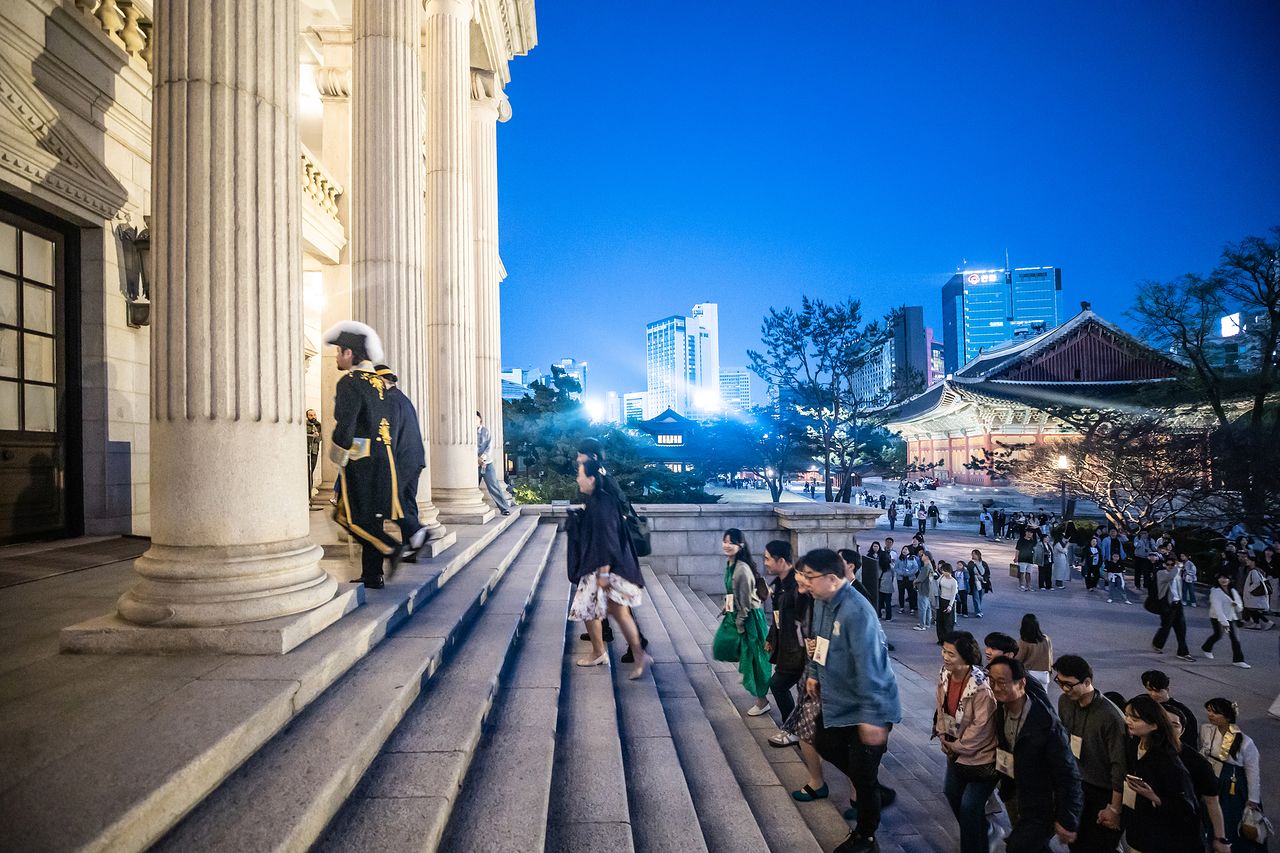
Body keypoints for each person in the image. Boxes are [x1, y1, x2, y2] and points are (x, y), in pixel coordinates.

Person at [802, 548, 902, 853]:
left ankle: (866, 838)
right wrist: (813, 672)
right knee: (824, 741)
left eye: (809, 577)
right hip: (839, 700)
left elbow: (870, 666)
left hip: (870, 706)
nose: (805, 583)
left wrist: (872, 718)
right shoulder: (823, 601)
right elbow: (817, 641)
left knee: (863, 774)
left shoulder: (857, 611)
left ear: (832, 579)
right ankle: (875, 789)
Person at [323, 321, 407, 588]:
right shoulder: (381, 385)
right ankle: (373, 574)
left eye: (339, 352)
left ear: (349, 353)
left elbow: (345, 425)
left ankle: (390, 548)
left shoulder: (350, 383)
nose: (336, 357)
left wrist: (338, 454)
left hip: (361, 460)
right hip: (384, 459)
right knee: (372, 519)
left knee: (345, 516)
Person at [566, 458, 651, 678]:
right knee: (617, 612)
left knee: (592, 608)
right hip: (608, 566)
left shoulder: (601, 504)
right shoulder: (601, 499)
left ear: (591, 478)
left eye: (580, 474)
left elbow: (606, 539)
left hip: (604, 568)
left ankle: (601, 653)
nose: (578, 479)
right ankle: (635, 654)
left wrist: (603, 573)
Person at [988, 655, 1083, 851]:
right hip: (1020, 794)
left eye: (1002, 682)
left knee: (1017, 847)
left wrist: (1067, 818)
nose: (996, 687)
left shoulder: (1045, 724)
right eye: (992, 681)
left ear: (1021, 683)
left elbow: (1068, 774)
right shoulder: (1000, 709)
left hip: (1044, 803)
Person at [1052, 655, 1127, 853]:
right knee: (1075, 844)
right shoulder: (1064, 702)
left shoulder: (1110, 717)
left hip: (1103, 790)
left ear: (1087, 682)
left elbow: (1119, 765)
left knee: (1098, 846)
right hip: (1076, 784)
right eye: (1060, 683)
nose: (1064, 689)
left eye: (1069, 684)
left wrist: (1114, 808)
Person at [934, 631, 999, 853]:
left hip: (981, 756)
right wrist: (943, 734)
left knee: (970, 806)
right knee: (952, 793)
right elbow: (941, 709)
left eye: (951, 653)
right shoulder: (945, 674)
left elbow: (981, 728)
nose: (945, 657)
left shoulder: (981, 687)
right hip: (955, 750)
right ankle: (982, 831)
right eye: (944, 651)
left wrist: (956, 746)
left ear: (965, 656)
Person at [1120, 695, 1202, 853]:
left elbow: (1186, 808)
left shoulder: (1166, 760)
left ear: (1154, 725)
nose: (1127, 721)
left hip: (1161, 839)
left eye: (1135, 719)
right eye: (1127, 715)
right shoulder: (1134, 745)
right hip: (1138, 833)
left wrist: (1154, 797)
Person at [374, 365, 431, 561]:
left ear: (381, 381)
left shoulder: (389, 400)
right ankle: (411, 548)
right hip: (414, 459)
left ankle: (417, 531)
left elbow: (391, 434)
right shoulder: (402, 399)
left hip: (401, 460)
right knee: (407, 500)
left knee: (391, 500)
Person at [1200, 697, 1266, 852]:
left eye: (1216, 712)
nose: (1211, 715)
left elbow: (1253, 771)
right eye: (1209, 711)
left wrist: (1253, 799)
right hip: (1213, 778)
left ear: (1228, 716)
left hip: (1233, 786)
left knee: (1230, 820)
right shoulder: (1206, 730)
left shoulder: (1244, 741)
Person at [1163, 706, 1232, 853]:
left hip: (1184, 830)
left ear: (1182, 730)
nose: (1168, 729)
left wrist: (1220, 838)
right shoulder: (1143, 751)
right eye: (1164, 723)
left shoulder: (1196, 762)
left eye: (1175, 725)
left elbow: (1212, 801)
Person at [720, 528, 772, 715]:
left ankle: (762, 700)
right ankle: (760, 696)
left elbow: (746, 603)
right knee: (747, 656)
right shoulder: (731, 564)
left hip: (749, 618)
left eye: (731, 542)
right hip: (741, 615)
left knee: (755, 659)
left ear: (740, 545)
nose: (727, 545)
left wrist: (740, 624)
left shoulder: (741, 569)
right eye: (725, 541)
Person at [764, 540, 806, 726]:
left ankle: (791, 727)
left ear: (781, 561)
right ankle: (792, 726)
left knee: (778, 685)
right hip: (785, 646)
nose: (765, 562)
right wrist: (771, 637)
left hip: (796, 650)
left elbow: (805, 621)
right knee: (781, 685)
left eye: (767, 559)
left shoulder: (797, 586)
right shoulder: (778, 584)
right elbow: (777, 616)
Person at [1139, 670, 1198, 750]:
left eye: (1158, 691)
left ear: (1167, 689)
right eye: (1149, 690)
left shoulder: (1182, 712)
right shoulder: (1141, 703)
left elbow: (1189, 741)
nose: (1153, 694)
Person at [1153, 554, 1196, 661]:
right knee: (1166, 627)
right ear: (1164, 564)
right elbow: (1169, 577)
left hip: (1177, 604)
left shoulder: (1176, 574)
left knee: (1181, 628)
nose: (1170, 566)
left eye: (1172, 564)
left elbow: (1179, 585)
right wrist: (1177, 567)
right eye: (1168, 564)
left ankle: (1183, 652)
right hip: (1167, 605)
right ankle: (1157, 644)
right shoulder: (1161, 573)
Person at [1203, 573, 1250, 667]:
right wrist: (1224, 622)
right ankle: (1206, 647)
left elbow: (1240, 606)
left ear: (1230, 579)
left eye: (1225, 577)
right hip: (1217, 617)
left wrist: (1236, 605)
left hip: (1231, 617)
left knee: (1235, 638)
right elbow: (1217, 608)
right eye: (1220, 577)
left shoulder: (1233, 591)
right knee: (1218, 635)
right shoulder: (1215, 591)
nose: (1222, 580)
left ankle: (1238, 660)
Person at [476, 411, 513, 515]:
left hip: (487, 463)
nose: (474, 421)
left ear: (480, 419)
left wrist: (482, 458)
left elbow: (489, 447)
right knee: (472, 487)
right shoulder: (468, 432)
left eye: (476, 418)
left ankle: (504, 508)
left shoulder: (485, 431)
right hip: (473, 464)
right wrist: (476, 459)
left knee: (494, 486)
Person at [1015, 613, 1054, 689]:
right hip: (1044, 673)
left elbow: (1018, 660)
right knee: (1042, 698)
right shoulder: (1046, 639)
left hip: (1030, 674)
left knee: (1029, 697)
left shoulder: (1024, 642)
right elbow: (1050, 655)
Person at [1241, 555, 1275, 630]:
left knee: (1253, 610)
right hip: (1253, 596)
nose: (1247, 562)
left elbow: (1257, 583)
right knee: (1252, 610)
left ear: (1253, 561)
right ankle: (1257, 624)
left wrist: (1249, 590)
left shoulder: (1254, 571)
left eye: (1248, 560)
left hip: (1253, 595)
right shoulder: (1256, 570)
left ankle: (1267, 622)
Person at [935, 562, 957, 645]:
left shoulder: (953, 581)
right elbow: (937, 583)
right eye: (942, 571)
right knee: (940, 620)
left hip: (948, 601)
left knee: (948, 622)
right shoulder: (942, 577)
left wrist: (950, 606)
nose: (943, 573)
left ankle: (948, 640)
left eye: (944, 571)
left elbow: (953, 594)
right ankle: (941, 639)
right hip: (941, 599)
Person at [913, 554, 937, 632]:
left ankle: (922, 625)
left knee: (922, 607)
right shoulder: (930, 566)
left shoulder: (926, 567)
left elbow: (921, 578)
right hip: (928, 589)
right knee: (927, 607)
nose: (921, 557)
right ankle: (927, 623)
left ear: (926, 557)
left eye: (923, 555)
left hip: (923, 589)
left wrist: (915, 581)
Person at [968, 549, 990, 618]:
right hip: (975, 582)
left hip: (983, 582)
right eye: (972, 554)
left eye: (974, 554)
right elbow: (970, 571)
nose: (973, 555)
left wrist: (983, 578)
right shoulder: (971, 563)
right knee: (976, 597)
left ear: (978, 555)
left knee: (980, 597)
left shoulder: (984, 563)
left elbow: (987, 572)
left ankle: (978, 609)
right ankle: (978, 611)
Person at [876, 546, 896, 621]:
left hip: (880, 586)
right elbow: (893, 574)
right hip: (888, 587)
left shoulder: (877, 565)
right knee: (888, 603)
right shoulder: (890, 566)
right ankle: (888, 617)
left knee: (879, 602)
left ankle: (879, 615)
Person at [306, 408, 322, 498]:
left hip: (315, 451)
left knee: (311, 471)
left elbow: (320, 438)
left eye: (314, 415)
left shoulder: (319, 425)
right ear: (307, 416)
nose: (313, 417)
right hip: (307, 451)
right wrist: (311, 433)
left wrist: (317, 436)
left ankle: (310, 491)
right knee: (307, 471)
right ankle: (307, 492)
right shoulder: (305, 425)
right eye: (311, 415)